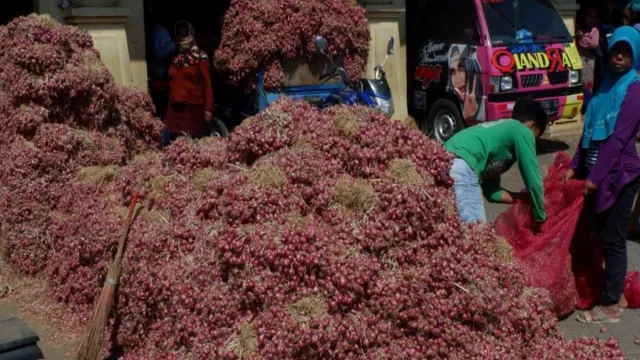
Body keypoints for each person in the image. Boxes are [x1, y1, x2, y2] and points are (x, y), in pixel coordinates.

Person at [565, 26, 640, 324]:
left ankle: (611, 306)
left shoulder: (634, 89)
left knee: (613, 238)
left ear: (634, 56)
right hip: (597, 175)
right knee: (599, 236)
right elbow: (589, 134)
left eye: (626, 52)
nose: (618, 57)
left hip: (619, 175)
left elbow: (617, 140)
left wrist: (594, 178)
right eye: (615, 51)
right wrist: (573, 167)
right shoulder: (605, 87)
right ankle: (613, 291)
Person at [444, 98, 548, 224]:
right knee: (477, 234)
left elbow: (492, 192)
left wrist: (522, 200)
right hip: (462, 164)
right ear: (532, 126)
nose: (532, 143)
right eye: (535, 138)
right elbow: (533, 180)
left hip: (443, 162)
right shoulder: (521, 130)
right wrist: (540, 217)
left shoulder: (500, 138)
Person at [162, 21, 214, 148]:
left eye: (185, 35)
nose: (182, 39)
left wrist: (208, 108)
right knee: (168, 143)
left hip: (192, 109)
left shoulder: (200, 58)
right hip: (174, 109)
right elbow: (170, 79)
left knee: (190, 146)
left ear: (192, 35)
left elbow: (207, 84)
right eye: (179, 36)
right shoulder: (174, 58)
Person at [150, 18, 176, 120]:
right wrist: (173, 46)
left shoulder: (165, 30)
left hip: (165, 75)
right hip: (159, 75)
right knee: (162, 110)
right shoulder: (159, 31)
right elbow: (158, 54)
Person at [576, 7, 601, 112]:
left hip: (589, 59)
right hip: (579, 57)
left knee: (588, 83)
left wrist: (583, 38)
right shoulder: (579, 28)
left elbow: (594, 44)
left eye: (593, 16)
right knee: (579, 81)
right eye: (589, 16)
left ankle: (587, 106)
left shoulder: (595, 31)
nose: (590, 19)